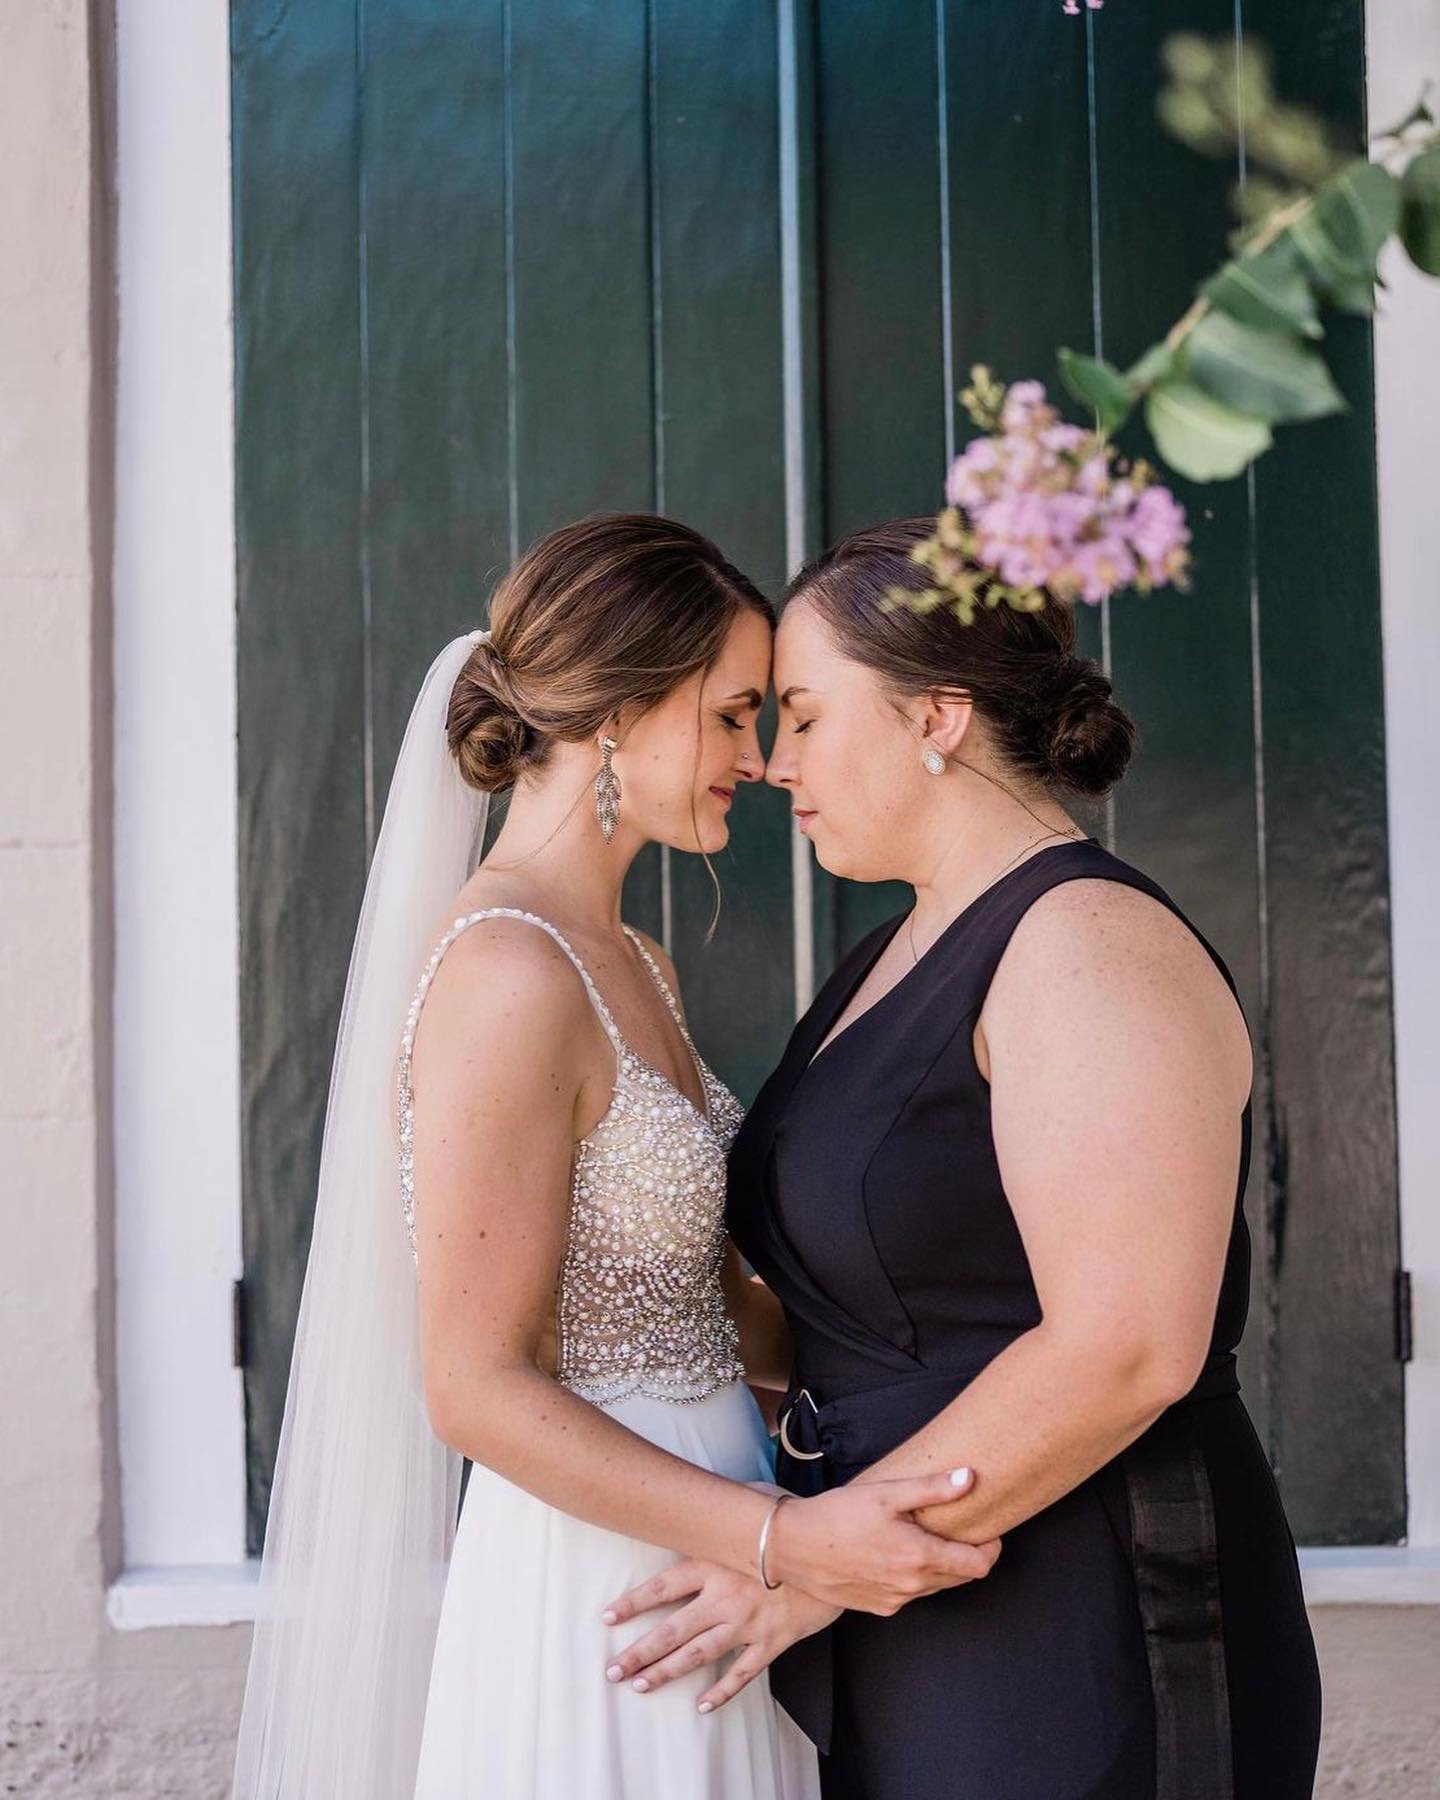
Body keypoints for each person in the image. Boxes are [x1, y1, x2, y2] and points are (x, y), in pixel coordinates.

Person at [231, 514, 998, 1800]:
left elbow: (707, 1292)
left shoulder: (632, 959)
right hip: (604, 1577)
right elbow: (475, 1386)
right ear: (620, 710)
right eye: (736, 714)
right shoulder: (505, 971)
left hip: (725, 1537)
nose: (758, 763)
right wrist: (785, 1538)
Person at [601, 517, 1323, 1799]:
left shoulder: (1088, 943)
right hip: (908, 1593)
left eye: (810, 718)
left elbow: (1129, 1343)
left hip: (1086, 1606)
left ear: (936, 718)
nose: (772, 763)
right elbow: (853, 1303)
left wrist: (820, 1562)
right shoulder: (885, 959)